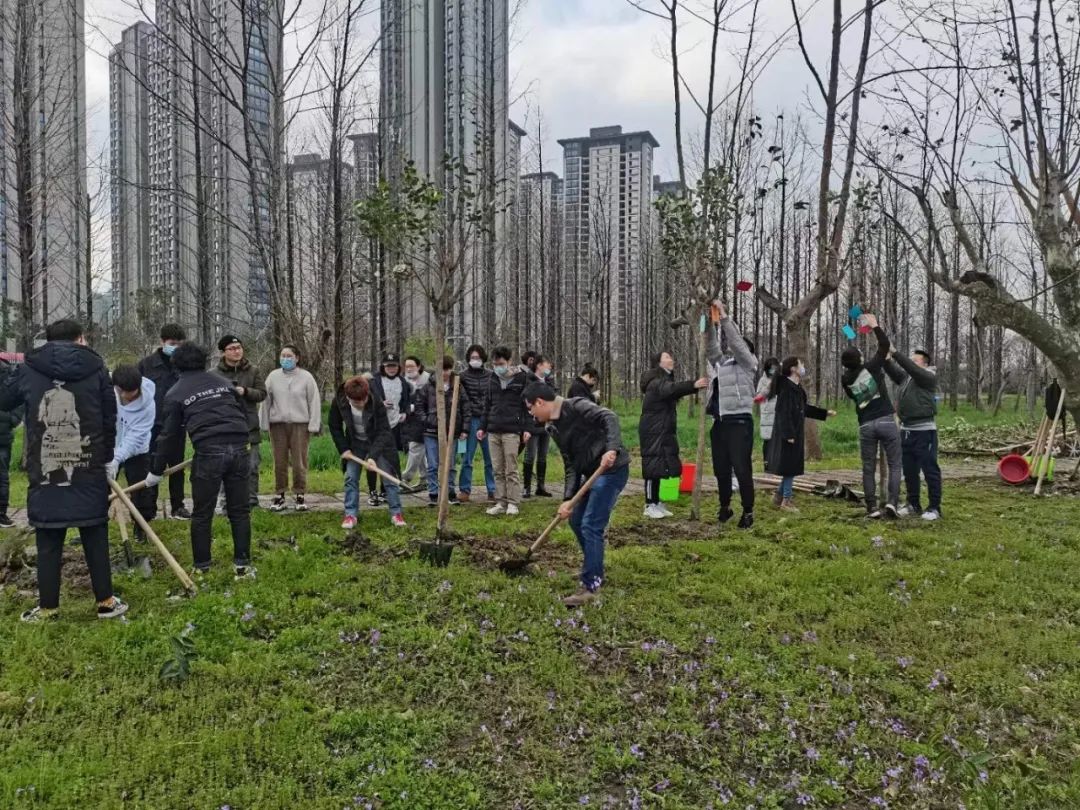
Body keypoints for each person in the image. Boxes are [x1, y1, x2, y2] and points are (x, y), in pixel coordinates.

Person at [0, 319, 127, 621]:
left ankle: (48, 609)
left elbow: (5, 400)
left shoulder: (30, 368)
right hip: (88, 462)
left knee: (48, 535)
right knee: (94, 530)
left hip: (46, 462)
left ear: (47, 340)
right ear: (81, 338)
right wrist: (106, 456)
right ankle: (106, 603)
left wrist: (7, 372)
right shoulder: (97, 369)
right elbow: (110, 415)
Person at [146, 343, 254, 579]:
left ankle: (202, 567)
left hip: (209, 453)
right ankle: (243, 566)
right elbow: (243, 415)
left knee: (203, 513)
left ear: (176, 365)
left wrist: (155, 470)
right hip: (239, 448)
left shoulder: (175, 393)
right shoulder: (224, 384)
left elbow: (168, 435)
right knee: (240, 511)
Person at [524, 382, 630, 607]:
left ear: (540, 402)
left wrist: (611, 448)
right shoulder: (552, 427)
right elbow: (570, 464)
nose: (531, 413)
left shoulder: (577, 405)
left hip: (612, 470)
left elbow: (609, 417)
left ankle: (590, 586)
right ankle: (594, 566)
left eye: (530, 408)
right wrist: (567, 500)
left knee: (591, 523)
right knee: (575, 519)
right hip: (590, 472)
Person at [841, 313, 901, 518]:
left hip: (865, 425)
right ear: (858, 359)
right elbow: (884, 345)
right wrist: (875, 325)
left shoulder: (846, 380)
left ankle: (871, 507)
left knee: (868, 468)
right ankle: (892, 503)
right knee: (894, 464)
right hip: (885, 419)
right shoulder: (872, 367)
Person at [706, 300, 758, 529]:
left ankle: (748, 510)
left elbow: (736, 343)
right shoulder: (723, 365)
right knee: (721, 468)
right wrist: (710, 321)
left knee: (742, 467)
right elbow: (711, 349)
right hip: (720, 423)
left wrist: (725, 317)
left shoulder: (749, 364)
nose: (732, 350)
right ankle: (725, 506)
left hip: (740, 422)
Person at [329, 375, 407, 529]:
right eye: (356, 402)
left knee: (389, 479)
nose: (361, 404)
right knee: (351, 478)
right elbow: (334, 426)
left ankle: (396, 513)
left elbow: (384, 431)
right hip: (355, 444)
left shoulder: (375, 400)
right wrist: (343, 448)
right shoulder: (339, 401)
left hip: (379, 443)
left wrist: (372, 456)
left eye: (363, 400)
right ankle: (350, 514)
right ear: (348, 397)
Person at [638, 351, 708, 519]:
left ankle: (658, 502)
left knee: (662, 466)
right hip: (653, 431)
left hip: (663, 430)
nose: (671, 359)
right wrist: (694, 385)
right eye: (667, 357)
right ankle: (649, 504)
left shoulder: (665, 379)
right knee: (652, 467)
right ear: (659, 363)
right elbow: (672, 390)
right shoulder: (656, 383)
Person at [766, 356, 836, 511]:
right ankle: (786, 500)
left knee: (790, 467)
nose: (803, 366)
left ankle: (778, 496)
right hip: (788, 433)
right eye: (801, 364)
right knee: (790, 467)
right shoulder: (786, 388)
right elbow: (783, 412)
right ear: (793, 369)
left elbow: (804, 409)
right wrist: (789, 434)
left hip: (795, 432)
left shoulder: (797, 389)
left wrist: (824, 413)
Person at [884, 345, 942, 521]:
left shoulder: (927, 377)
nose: (910, 363)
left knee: (930, 470)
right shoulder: (907, 379)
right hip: (907, 431)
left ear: (923, 364)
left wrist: (895, 352)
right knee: (909, 470)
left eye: (915, 361)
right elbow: (895, 372)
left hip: (924, 431)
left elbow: (909, 368)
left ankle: (934, 507)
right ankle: (913, 504)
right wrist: (886, 359)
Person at [260, 344, 321, 512]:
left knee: (299, 461)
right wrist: (264, 423)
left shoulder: (306, 377)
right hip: (278, 424)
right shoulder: (273, 376)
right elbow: (266, 401)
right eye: (283, 356)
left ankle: (300, 494)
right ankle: (280, 494)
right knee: (279, 461)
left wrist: (314, 424)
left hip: (300, 425)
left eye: (289, 356)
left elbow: (313, 401)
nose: (285, 359)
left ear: (297, 358)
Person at [139, 323, 190, 519]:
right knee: (152, 465)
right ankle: (149, 507)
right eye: (172, 344)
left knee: (177, 466)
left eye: (179, 344)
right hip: (153, 424)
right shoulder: (147, 365)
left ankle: (178, 505)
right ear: (162, 342)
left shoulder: (185, 365)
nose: (175, 348)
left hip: (178, 424)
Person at [477, 346, 530, 516]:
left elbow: (527, 405)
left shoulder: (521, 378)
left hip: (512, 429)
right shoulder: (492, 378)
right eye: (494, 364)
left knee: (511, 468)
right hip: (493, 429)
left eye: (500, 363)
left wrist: (527, 428)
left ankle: (513, 503)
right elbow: (487, 404)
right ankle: (501, 501)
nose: (497, 366)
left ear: (508, 362)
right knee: (497, 468)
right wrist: (482, 427)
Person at [215, 335, 265, 509]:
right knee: (225, 467)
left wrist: (245, 391)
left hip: (249, 426)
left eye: (239, 347)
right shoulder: (214, 374)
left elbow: (262, 393)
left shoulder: (253, 371)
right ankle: (225, 502)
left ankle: (252, 500)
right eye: (232, 348)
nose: (237, 351)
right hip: (225, 427)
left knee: (251, 466)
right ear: (223, 353)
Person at [108, 364, 156, 534]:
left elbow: (136, 436)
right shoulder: (105, 392)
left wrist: (117, 457)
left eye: (135, 393)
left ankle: (141, 527)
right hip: (108, 446)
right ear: (118, 388)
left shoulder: (148, 404)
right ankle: (96, 527)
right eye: (128, 394)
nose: (131, 397)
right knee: (98, 488)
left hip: (137, 450)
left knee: (140, 489)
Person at [417, 356, 470, 506]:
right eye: (442, 369)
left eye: (448, 369)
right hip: (431, 431)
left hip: (452, 432)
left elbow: (466, 408)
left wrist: (464, 429)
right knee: (433, 464)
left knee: (451, 464)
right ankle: (433, 493)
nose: (445, 372)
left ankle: (450, 492)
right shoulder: (429, 387)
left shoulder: (458, 386)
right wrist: (427, 420)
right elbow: (420, 407)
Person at [367, 353, 410, 506]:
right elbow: (366, 399)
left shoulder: (403, 382)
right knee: (373, 457)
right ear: (383, 367)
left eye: (394, 366)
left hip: (394, 424)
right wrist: (380, 403)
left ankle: (385, 489)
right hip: (376, 425)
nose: (391, 369)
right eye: (388, 366)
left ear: (398, 367)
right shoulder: (374, 381)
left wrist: (405, 413)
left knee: (390, 459)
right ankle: (372, 492)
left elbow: (406, 401)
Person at [459, 344, 496, 502]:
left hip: (487, 419)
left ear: (483, 359)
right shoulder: (462, 376)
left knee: (491, 458)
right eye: (473, 357)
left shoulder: (491, 375)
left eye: (478, 358)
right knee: (467, 457)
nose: (475, 360)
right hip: (471, 419)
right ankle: (465, 489)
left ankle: (492, 489)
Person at [523, 356, 556, 498]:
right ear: (539, 365)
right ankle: (526, 487)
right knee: (530, 455)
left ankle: (541, 486)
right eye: (547, 365)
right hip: (532, 422)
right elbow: (526, 401)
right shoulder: (528, 380)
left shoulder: (550, 381)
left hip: (547, 423)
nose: (549, 369)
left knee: (543, 457)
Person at [0, 357, 23, 528]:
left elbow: (20, 400)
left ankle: (1, 513)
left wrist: (11, 419)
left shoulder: (9, 373)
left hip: (2, 434)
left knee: (1, 475)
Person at [401, 356, 430, 488]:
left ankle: (406, 478)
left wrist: (416, 407)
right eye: (406, 366)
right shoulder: (403, 381)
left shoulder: (428, 380)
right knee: (420, 450)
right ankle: (425, 478)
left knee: (415, 448)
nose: (409, 369)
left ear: (418, 366)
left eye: (411, 366)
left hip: (424, 418)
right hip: (409, 420)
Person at [755, 357, 780, 471]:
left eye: (775, 368)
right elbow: (758, 398)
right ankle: (767, 466)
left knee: (778, 442)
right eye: (771, 368)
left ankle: (777, 465)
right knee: (768, 441)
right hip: (767, 415)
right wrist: (769, 386)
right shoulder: (762, 381)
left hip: (778, 414)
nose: (773, 370)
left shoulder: (780, 380)